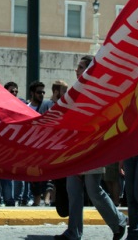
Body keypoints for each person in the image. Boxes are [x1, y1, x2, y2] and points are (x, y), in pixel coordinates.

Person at [55, 55, 127, 240]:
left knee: (94, 190)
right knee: (73, 191)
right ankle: (74, 232)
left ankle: (118, 221)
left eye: (80, 67)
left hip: (90, 149)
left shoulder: (97, 94)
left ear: (88, 70)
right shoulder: (74, 92)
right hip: (73, 149)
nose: (76, 70)